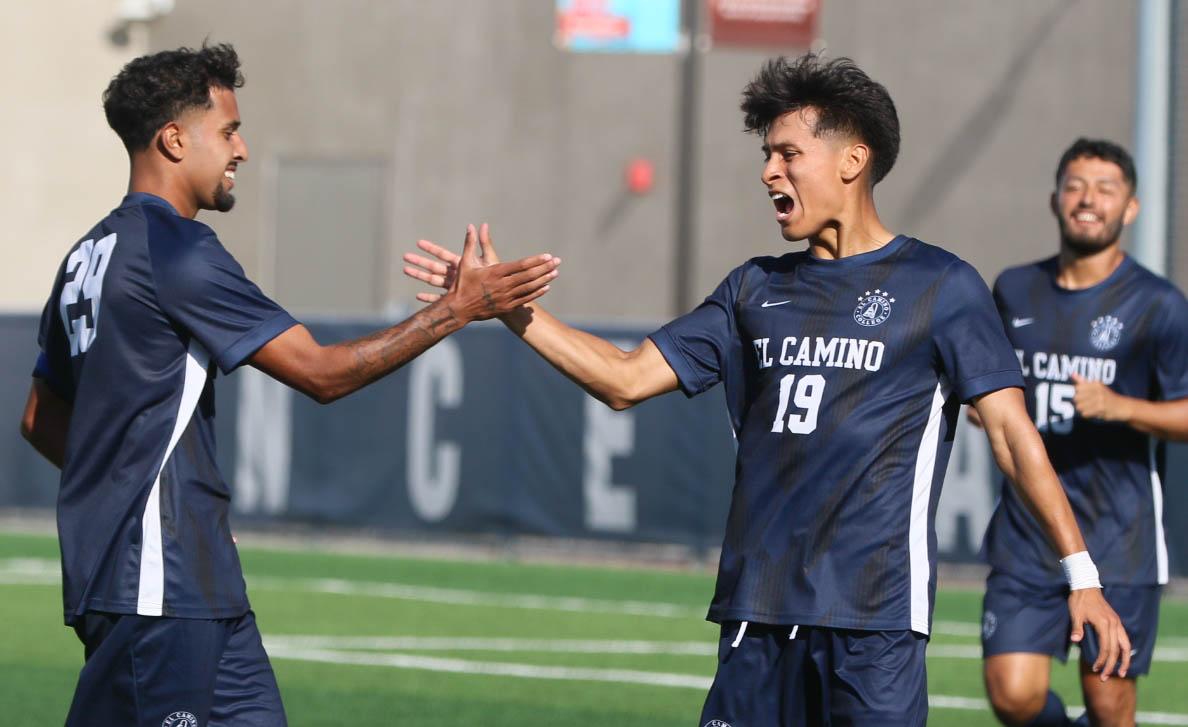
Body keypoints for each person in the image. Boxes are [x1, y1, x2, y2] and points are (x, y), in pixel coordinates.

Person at [403, 54, 1129, 726]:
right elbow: (624, 380)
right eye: (766, 156)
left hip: (872, 626)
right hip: (755, 619)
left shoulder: (942, 286)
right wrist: (508, 311)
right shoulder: (753, 288)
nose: (768, 173)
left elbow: (1011, 436)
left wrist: (1081, 575)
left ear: (853, 159)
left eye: (788, 154)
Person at [18, 43, 560, 727]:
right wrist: (459, 308)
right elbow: (321, 372)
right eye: (229, 130)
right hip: (156, 589)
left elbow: (41, 418)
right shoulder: (176, 248)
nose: (242, 149)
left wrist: (173, 510)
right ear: (174, 139)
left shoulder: (86, 256)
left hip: (196, 581)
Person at [975, 138, 1188, 727]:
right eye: (1075, 186)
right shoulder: (1013, 288)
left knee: (1108, 705)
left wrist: (1122, 408)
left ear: (1131, 208)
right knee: (1012, 695)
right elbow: (989, 389)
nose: (1088, 200)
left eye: (1105, 189)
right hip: (1028, 538)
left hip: (1120, 543)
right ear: (1054, 199)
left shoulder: (1160, 305)